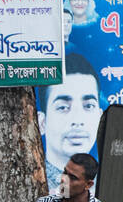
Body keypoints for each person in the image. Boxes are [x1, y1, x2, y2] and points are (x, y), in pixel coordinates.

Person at [38, 52, 102, 191]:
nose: (78, 120)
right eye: (63, 107)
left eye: (88, 106)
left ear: (100, 118)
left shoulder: (110, 184)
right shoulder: (32, 184)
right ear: (42, 122)